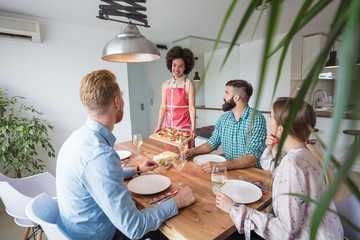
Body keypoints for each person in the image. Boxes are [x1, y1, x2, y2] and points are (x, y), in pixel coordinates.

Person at [56, 69, 195, 240]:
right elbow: (134, 227)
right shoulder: (100, 156)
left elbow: (100, 177)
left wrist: (136, 169)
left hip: (72, 230)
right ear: (117, 102)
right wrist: (177, 202)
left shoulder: (77, 138)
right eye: (121, 95)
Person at [216, 97, 343, 240]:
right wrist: (274, 148)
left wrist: (234, 208)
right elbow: (278, 171)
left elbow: (285, 232)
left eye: (270, 117)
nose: (268, 121)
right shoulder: (308, 151)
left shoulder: (292, 163)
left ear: (280, 129)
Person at [184, 80, 267, 173]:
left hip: (252, 173)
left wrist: (222, 165)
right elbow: (211, 143)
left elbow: (253, 157)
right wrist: (191, 151)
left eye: (226, 93)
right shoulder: (223, 119)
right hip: (229, 170)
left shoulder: (256, 119)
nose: (224, 96)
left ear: (236, 97)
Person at [154, 46, 197, 145]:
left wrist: (193, 127)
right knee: (170, 155)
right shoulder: (165, 84)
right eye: (174, 65)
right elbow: (163, 107)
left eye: (180, 66)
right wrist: (159, 126)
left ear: (185, 67)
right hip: (168, 128)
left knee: (185, 155)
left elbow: (191, 107)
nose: (176, 69)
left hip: (184, 128)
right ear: (170, 65)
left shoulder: (189, 84)